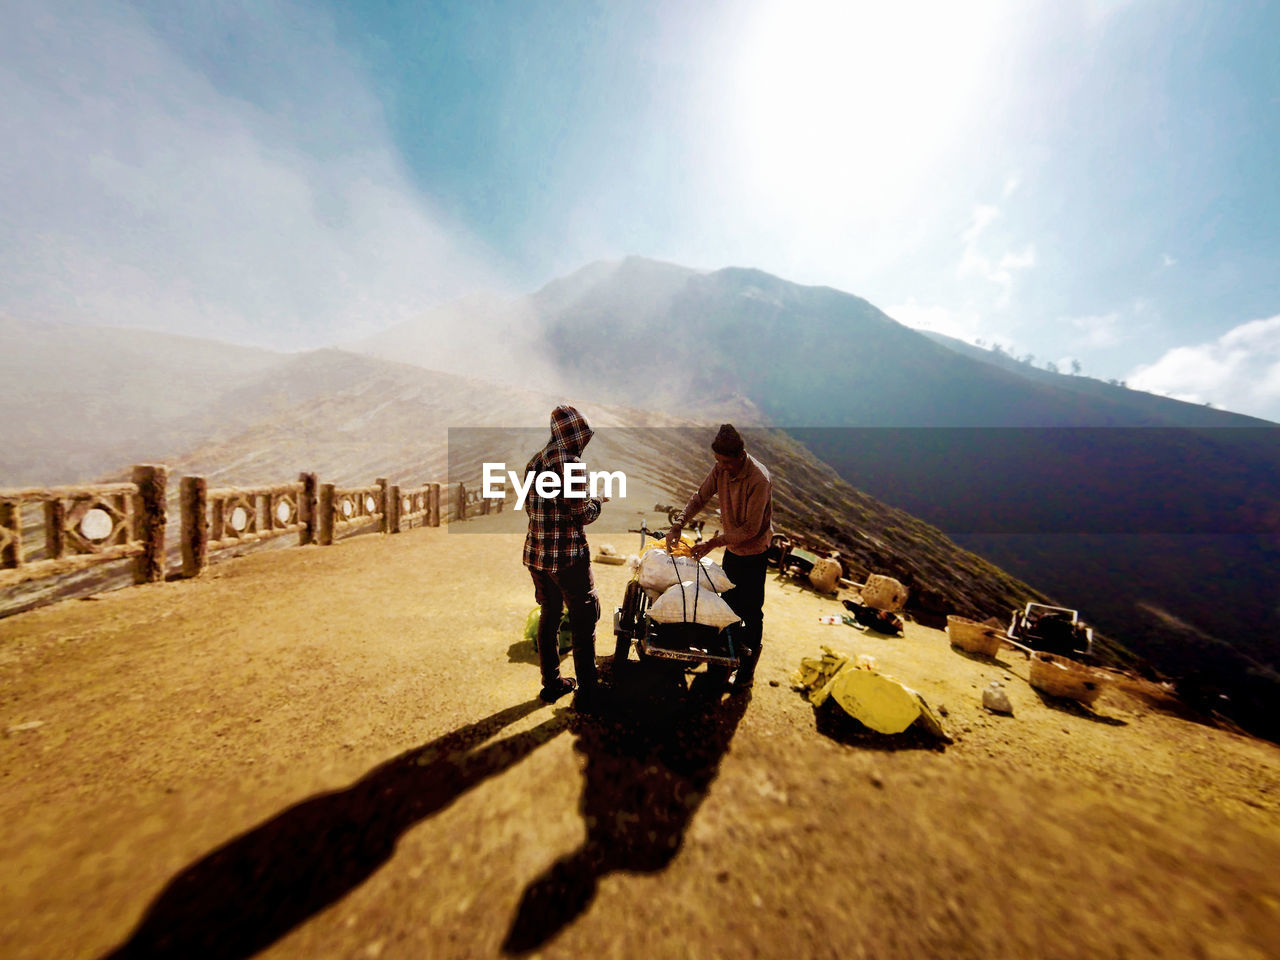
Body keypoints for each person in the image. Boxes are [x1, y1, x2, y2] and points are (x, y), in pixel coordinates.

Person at [666, 423, 773, 691]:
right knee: (727, 604)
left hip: (755, 553)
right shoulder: (721, 469)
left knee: (750, 611)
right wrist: (679, 523)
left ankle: (746, 672)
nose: (721, 466)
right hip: (733, 550)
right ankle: (723, 663)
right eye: (717, 461)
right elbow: (700, 497)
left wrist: (714, 542)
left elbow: (750, 529)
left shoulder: (759, 479)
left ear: (740, 455)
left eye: (726, 461)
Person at [524, 405, 605, 707]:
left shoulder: (535, 461)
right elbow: (581, 514)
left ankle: (552, 684)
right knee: (585, 620)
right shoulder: (570, 464)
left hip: (536, 555)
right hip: (567, 558)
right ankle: (588, 693)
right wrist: (597, 500)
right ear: (576, 436)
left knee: (550, 616)